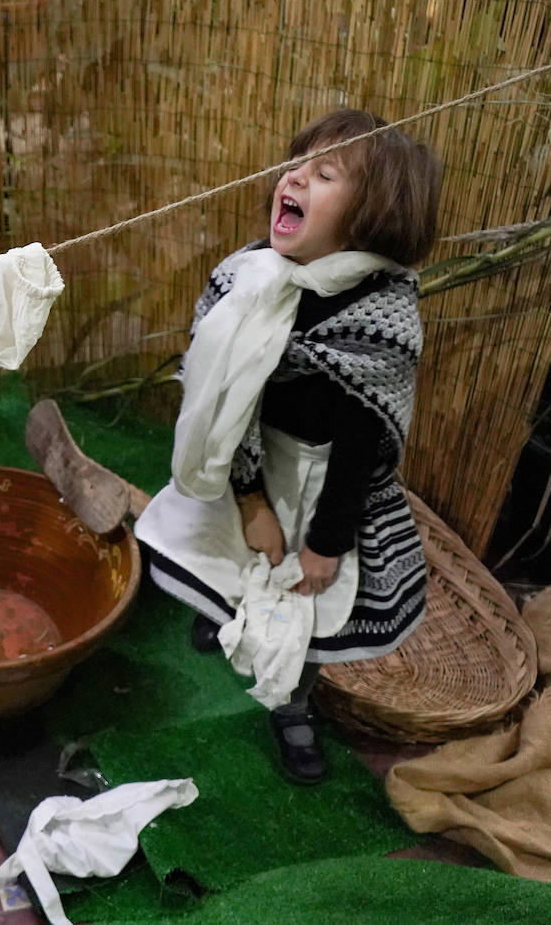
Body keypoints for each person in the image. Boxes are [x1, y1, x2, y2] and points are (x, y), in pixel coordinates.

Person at [134, 109, 441, 785]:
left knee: (307, 593)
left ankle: (293, 703)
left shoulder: (381, 313)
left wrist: (327, 540)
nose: (293, 176)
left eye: (323, 173)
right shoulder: (246, 279)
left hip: (322, 479)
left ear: (370, 217)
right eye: (296, 163)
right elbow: (220, 397)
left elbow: (363, 440)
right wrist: (246, 497)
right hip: (245, 457)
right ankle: (220, 613)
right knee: (221, 553)